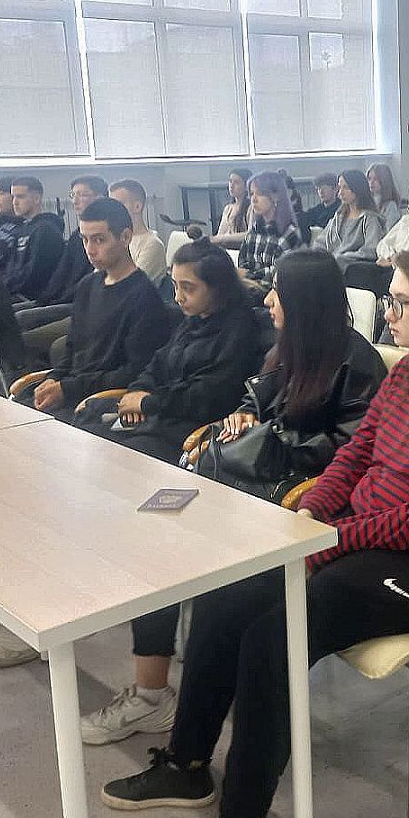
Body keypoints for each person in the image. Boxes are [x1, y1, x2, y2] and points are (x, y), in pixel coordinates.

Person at [99, 241, 409, 818]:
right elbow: (356, 454)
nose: (388, 313)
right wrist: (314, 507)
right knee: (226, 594)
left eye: (400, 303)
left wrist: (332, 539)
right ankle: (187, 764)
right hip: (368, 538)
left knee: (277, 635)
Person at [78, 249, 387, 746]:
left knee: (168, 550)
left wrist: (268, 438)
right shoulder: (288, 348)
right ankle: (153, 691)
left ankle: (153, 697)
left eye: (278, 292)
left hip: (287, 498)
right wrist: (244, 417)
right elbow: (257, 401)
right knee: (153, 536)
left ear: (303, 301)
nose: (268, 301)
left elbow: (351, 451)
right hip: (248, 481)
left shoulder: (358, 363)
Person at [33, 242, 262, 679]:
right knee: (81, 443)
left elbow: (209, 395)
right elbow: (155, 366)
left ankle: (107, 574)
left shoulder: (239, 331)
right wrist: (138, 391)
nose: (178, 297)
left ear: (217, 289)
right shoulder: (191, 322)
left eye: (188, 288)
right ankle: (85, 573)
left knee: (109, 465)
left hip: (189, 432)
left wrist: (149, 401)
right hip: (159, 418)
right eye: (175, 286)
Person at [12, 197, 170, 419]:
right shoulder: (88, 285)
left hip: (98, 401)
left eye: (99, 240)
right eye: (85, 240)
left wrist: (67, 388)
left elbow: (134, 372)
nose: (90, 250)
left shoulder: (144, 297)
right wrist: (54, 378)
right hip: (73, 390)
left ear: (125, 237)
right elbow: (72, 349)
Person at [14, 175, 107, 366]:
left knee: (21, 323)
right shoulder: (76, 237)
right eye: (73, 195)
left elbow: (85, 285)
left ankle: (30, 374)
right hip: (63, 298)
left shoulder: (103, 239)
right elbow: (60, 274)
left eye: (83, 194)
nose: (75, 200)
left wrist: (52, 301)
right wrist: (45, 300)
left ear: (100, 198)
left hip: (75, 302)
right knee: (12, 316)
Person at [344, 179, 409, 295]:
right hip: (387, 264)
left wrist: (396, 260)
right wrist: (390, 257)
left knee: (365, 277)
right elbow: (383, 244)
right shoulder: (405, 221)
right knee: (353, 269)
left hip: (406, 271)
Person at [237, 170, 305, 291]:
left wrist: (248, 275)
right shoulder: (253, 232)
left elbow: (279, 273)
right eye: (251, 194)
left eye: (260, 193)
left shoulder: (290, 234)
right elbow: (242, 264)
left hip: (274, 294)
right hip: (248, 290)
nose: (253, 199)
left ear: (276, 196)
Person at [4, 176, 65, 301]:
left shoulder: (47, 230)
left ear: (37, 198)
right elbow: (11, 266)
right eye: (13, 197)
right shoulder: (21, 229)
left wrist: (5, 288)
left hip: (33, 297)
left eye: (20, 197)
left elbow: (35, 274)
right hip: (16, 292)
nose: (14, 202)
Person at [314, 169, 385, 266]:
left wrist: (339, 258)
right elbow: (322, 241)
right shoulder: (339, 216)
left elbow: (371, 251)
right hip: (331, 263)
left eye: (345, 188)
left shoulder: (370, 219)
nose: (340, 193)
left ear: (357, 189)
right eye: (340, 187)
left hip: (350, 266)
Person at [110, 178, 167, 281]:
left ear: (137, 207)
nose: (112, 211)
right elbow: (97, 279)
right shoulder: (115, 240)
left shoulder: (152, 244)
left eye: (118, 205)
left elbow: (131, 283)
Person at [212, 168, 255, 249]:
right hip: (226, 248)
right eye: (230, 181)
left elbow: (250, 234)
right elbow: (220, 234)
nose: (231, 186)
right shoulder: (228, 208)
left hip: (242, 249)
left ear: (246, 186)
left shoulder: (252, 207)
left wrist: (223, 238)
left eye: (236, 182)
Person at [298, 172, 341, 236]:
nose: (321, 192)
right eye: (318, 189)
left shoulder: (342, 209)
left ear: (335, 189)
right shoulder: (313, 211)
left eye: (324, 188)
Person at [367, 162, 403, 230]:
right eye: (369, 179)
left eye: (375, 179)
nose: (371, 182)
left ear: (384, 180)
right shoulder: (368, 202)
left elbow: (390, 232)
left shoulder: (391, 206)